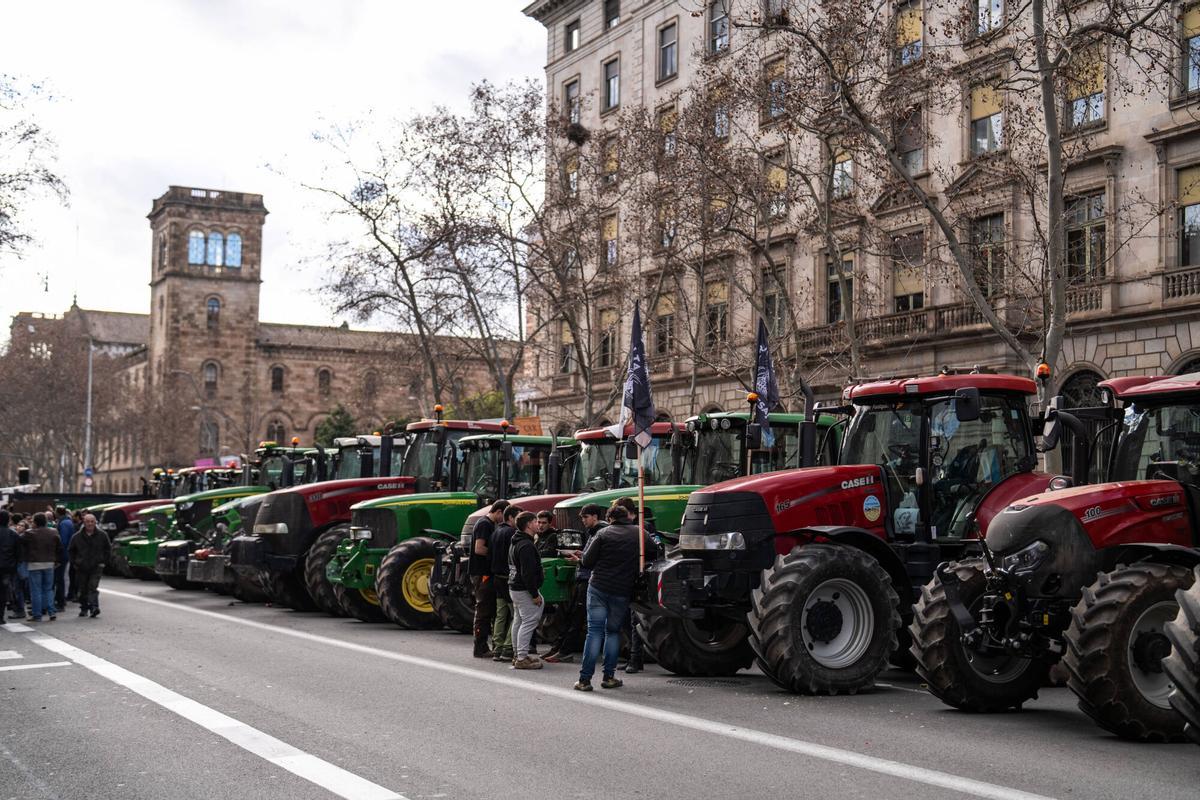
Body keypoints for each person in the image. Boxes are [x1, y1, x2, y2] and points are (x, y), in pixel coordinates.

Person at [572, 503, 655, 691]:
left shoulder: (603, 534)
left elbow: (587, 561)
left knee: (594, 632)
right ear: (628, 517)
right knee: (613, 632)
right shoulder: (640, 533)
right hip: (622, 590)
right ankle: (609, 677)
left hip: (598, 587)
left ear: (610, 519)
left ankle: (584, 680)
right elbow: (653, 552)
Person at [543, 503, 605, 664]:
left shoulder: (600, 532)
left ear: (595, 517)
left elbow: (594, 559)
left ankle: (564, 651)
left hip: (588, 578)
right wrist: (582, 553)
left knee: (576, 617)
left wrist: (580, 558)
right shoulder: (593, 533)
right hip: (582, 577)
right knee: (568, 614)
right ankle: (558, 647)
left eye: (585, 517)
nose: (583, 521)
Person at [468, 500, 508, 658]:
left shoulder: (488, 524)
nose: (503, 520)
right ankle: (480, 647)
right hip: (482, 573)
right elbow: (479, 548)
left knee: (488, 609)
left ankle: (484, 645)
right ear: (498, 512)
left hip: (485, 573)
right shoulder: (485, 524)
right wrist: (497, 556)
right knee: (484, 611)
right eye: (503, 516)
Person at [508, 511, 545, 670]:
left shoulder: (516, 541)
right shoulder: (526, 545)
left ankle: (518, 654)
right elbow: (527, 573)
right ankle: (522, 657)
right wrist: (535, 594)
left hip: (514, 586)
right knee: (529, 621)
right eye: (536, 521)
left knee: (519, 620)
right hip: (524, 589)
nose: (538, 524)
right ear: (529, 524)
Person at [489, 504, 521, 663]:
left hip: (496, 578)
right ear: (510, 517)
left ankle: (497, 647)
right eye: (518, 517)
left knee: (500, 615)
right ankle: (508, 648)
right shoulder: (513, 534)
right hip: (508, 578)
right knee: (516, 615)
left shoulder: (496, 532)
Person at [21, 513, 61, 622]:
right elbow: (59, 547)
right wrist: (57, 560)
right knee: (48, 589)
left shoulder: (29, 533)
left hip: (34, 564)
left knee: (36, 590)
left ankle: (37, 615)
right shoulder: (54, 531)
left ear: (35, 522)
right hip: (49, 563)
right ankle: (51, 612)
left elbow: (20, 541)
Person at [69, 514, 110, 618]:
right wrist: (75, 563)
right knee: (83, 589)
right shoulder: (77, 536)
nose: (90, 524)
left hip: (96, 566)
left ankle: (94, 607)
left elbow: (108, 549)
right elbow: (71, 551)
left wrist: (103, 562)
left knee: (92, 587)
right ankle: (84, 608)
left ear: (95, 522)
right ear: (84, 522)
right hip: (81, 567)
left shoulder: (102, 535)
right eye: (88, 521)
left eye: (92, 521)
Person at [0, 511, 19, 624]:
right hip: (7, 567)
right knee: (3, 591)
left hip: (6, 566)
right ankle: (0, 616)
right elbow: (18, 552)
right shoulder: (13, 534)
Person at [54, 506, 75, 608]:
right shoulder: (67, 522)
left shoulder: (64, 523)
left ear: (57, 512)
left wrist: (58, 552)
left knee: (59, 578)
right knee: (61, 577)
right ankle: (60, 600)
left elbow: (63, 540)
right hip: (66, 554)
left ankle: (61, 601)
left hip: (63, 554)